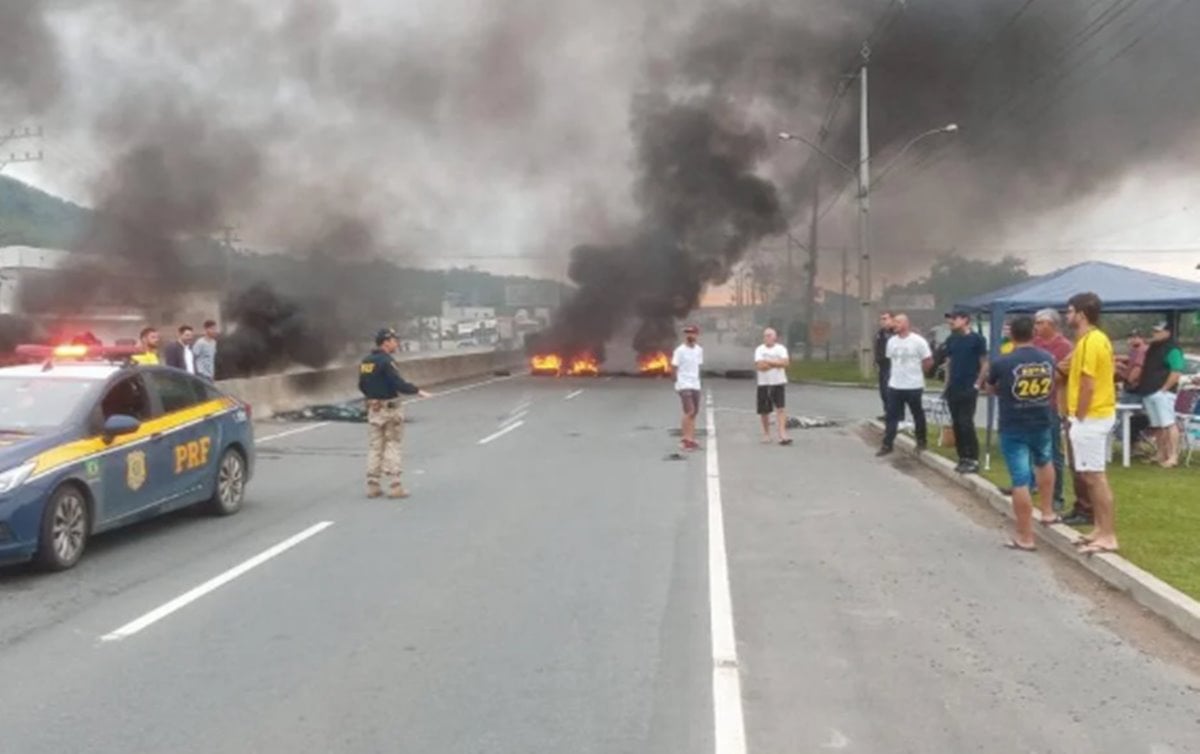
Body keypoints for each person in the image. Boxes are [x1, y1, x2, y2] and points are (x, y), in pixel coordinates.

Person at [986, 316, 1059, 551]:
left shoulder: (1002, 362)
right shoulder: (1048, 358)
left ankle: (1025, 536)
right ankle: (1047, 512)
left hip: (1013, 423)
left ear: (1012, 336)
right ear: (1033, 334)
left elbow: (990, 387)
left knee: (1020, 479)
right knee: (1045, 461)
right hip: (1041, 419)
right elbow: (1053, 384)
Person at [1065, 292, 1118, 555]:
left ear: (1081, 314)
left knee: (1096, 477)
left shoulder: (1090, 342)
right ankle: (1099, 528)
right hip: (1097, 414)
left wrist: (1080, 416)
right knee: (1088, 475)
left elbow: (1088, 383)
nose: (1067, 316)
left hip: (1092, 416)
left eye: (1070, 311)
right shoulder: (1095, 339)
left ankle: (1108, 534)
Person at [359, 328, 430, 499]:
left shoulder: (366, 361)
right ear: (386, 342)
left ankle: (373, 485)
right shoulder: (386, 361)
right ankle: (395, 485)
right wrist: (417, 390)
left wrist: (373, 396)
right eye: (394, 340)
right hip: (390, 409)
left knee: (375, 447)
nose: (396, 343)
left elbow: (361, 385)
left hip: (373, 408)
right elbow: (398, 383)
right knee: (392, 444)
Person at [1032, 309, 1075, 513]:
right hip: (1031, 402)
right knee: (1031, 447)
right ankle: (1030, 484)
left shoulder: (1064, 346)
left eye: (1041, 323)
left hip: (1051, 403)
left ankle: (1057, 495)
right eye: (1036, 323)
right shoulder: (1034, 343)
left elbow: (1060, 374)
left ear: (1052, 325)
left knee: (1052, 450)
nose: (1037, 326)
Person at [878, 313, 933, 456]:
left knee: (917, 414)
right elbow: (891, 360)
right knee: (892, 415)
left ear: (906, 324)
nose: (894, 325)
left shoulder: (918, 341)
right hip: (895, 385)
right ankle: (887, 444)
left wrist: (919, 372)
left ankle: (921, 442)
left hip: (913, 385)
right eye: (894, 322)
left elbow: (928, 360)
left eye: (898, 322)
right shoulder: (891, 342)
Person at [1136, 321, 1186, 468]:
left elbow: (1176, 371)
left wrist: (1164, 388)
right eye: (1154, 331)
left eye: (1158, 331)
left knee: (1169, 424)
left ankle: (1173, 456)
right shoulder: (1153, 348)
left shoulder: (1173, 349)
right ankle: (1161, 454)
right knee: (1157, 426)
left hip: (1162, 393)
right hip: (1150, 391)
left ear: (1168, 332)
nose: (1155, 334)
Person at [943, 311, 988, 474]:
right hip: (953, 387)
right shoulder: (951, 340)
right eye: (950, 319)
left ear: (965, 320)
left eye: (955, 319)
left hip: (968, 385)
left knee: (966, 422)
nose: (951, 322)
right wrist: (946, 385)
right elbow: (949, 363)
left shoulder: (977, 340)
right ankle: (962, 457)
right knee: (956, 423)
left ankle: (973, 458)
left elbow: (984, 363)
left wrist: (978, 383)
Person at [754, 327, 792, 445]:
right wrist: (777, 363)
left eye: (770, 335)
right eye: (765, 335)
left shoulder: (781, 348)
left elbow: (785, 363)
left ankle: (782, 434)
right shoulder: (759, 349)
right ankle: (766, 434)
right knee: (764, 411)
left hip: (778, 382)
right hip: (764, 383)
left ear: (775, 337)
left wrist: (769, 362)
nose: (767, 337)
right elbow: (760, 366)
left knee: (780, 408)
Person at [672, 325, 704, 451]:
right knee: (689, 411)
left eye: (692, 333)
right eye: (687, 333)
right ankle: (685, 439)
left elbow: (698, 366)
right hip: (684, 384)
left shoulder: (699, 350)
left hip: (695, 384)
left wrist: (697, 380)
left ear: (696, 335)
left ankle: (691, 438)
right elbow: (673, 368)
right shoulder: (679, 350)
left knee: (694, 412)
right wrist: (677, 384)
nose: (689, 335)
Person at [874, 311, 899, 421]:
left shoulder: (896, 333)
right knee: (883, 391)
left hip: (893, 364)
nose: (882, 321)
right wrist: (876, 361)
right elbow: (877, 348)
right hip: (882, 365)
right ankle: (887, 412)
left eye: (885, 319)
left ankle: (895, 414)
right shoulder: (879, 334)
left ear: (892, 320)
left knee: (891, 391)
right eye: (881, 319)